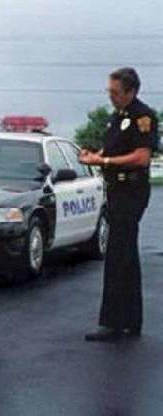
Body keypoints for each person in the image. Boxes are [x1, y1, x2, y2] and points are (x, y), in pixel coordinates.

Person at [79, 68, 157, 342]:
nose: (111, 97)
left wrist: (105, 163)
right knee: (123, 254)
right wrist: (95, 156)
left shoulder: (142, 116)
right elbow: (111, 150)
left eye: (115, 92)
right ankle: (129, 320)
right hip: (117, 190)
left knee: (118, 254)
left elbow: (141, 157)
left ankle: (113, 324)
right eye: (109, 92)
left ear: (130, 91)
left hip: (131, 189)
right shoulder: (118, 117)